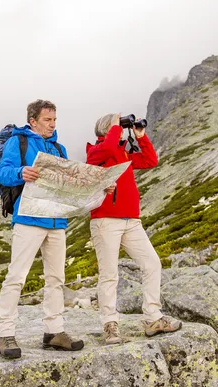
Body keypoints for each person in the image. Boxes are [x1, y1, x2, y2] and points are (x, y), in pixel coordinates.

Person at [0, 99, 84, 359]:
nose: (52, 124)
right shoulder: (18, 142)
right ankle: (5, 334)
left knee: (56, 279)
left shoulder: (58, 148)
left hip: (57, 219)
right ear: (33, 120)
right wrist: (22, 171)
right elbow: (4, 173)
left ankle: (54, 332)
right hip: (29, 218)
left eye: (55, 119)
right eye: (48, 120)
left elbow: (67, 182)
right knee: (17, 277)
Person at [86, 113, 182, 345]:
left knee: (151, 263)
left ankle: (153, 318)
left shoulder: (123, 152)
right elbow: (108, 148)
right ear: (106, 131)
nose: (120, 130)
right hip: (106, 220)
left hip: (131, 220)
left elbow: (150, 160)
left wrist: (141, 136)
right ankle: (110, 324)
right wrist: (115, 127)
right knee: (109, 274)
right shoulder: (95, 151)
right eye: (116, 128)